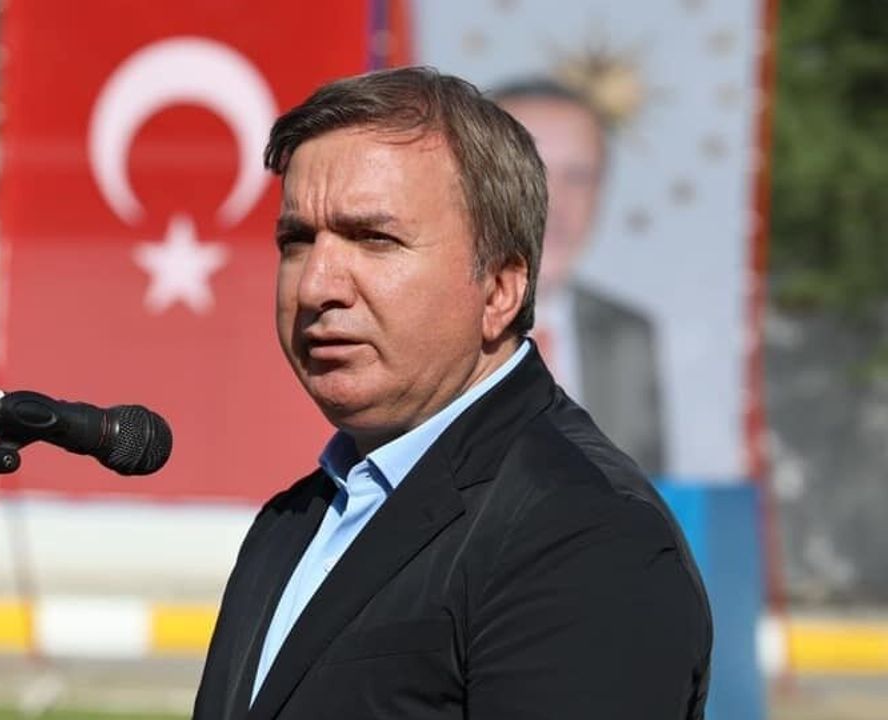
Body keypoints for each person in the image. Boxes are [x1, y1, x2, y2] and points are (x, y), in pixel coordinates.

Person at [194, 67, 710, 719]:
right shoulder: (297, 517)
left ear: (499, 290)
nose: (317, 284)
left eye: (374, 239)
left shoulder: (585, 533)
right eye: (296, 240)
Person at [491, 78, 666, 474]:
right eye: (530, 173)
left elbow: (649, 489)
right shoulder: (422, 325)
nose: (555, 202)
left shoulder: (628, 336)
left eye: (578, 177)